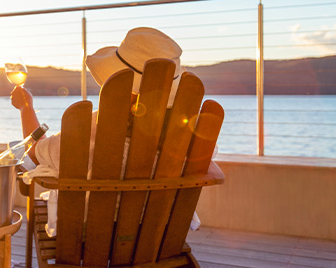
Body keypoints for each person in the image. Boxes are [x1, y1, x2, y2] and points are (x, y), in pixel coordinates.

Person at [11, 27, 203, 237]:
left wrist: (26, 108)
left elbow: (34, 153)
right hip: (156, 239)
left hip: (91, 242)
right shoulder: (188, 141)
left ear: (123, 87)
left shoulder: (94, 131)